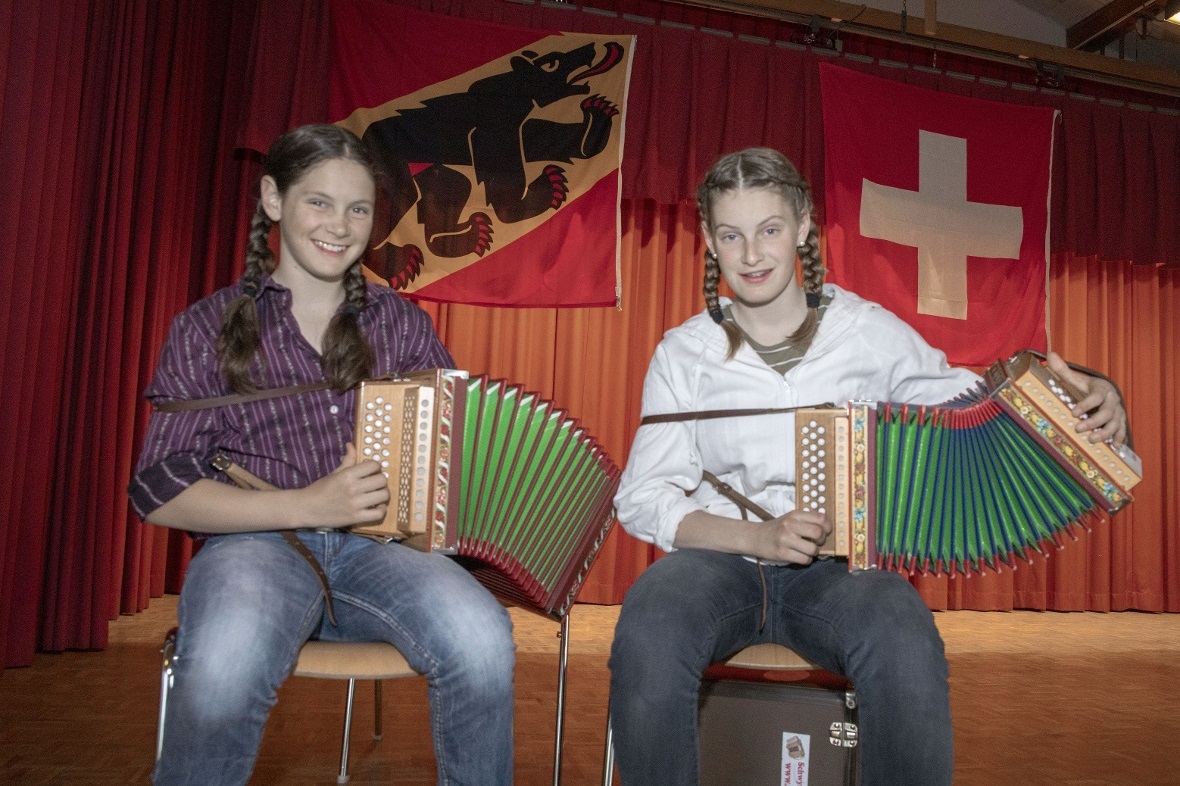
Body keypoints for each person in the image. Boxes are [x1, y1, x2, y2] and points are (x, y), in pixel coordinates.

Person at [607, 147, 1128, 786]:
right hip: (719, 564)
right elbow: (644, 497)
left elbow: (974, 400)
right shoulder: (683, 353)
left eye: (769, 229)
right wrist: (758, 537)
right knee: (650, 626)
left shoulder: (867, 332)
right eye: (731, 235)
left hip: (838, 573)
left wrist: (1089, 395)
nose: (752, 254)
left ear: (803, 226)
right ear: (711, 241)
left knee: (904, 634)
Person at [129, 124, 515, 785]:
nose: (339, 225)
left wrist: (457, 499)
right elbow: (160, 490)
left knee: (483, 642)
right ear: (273, 199)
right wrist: (310, 504)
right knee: (225, 664)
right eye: (319, 202)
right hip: (255, 546)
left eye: (358, 208)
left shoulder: (402, 323)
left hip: (383, 552)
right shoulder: (207, 327)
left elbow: (449, 459)